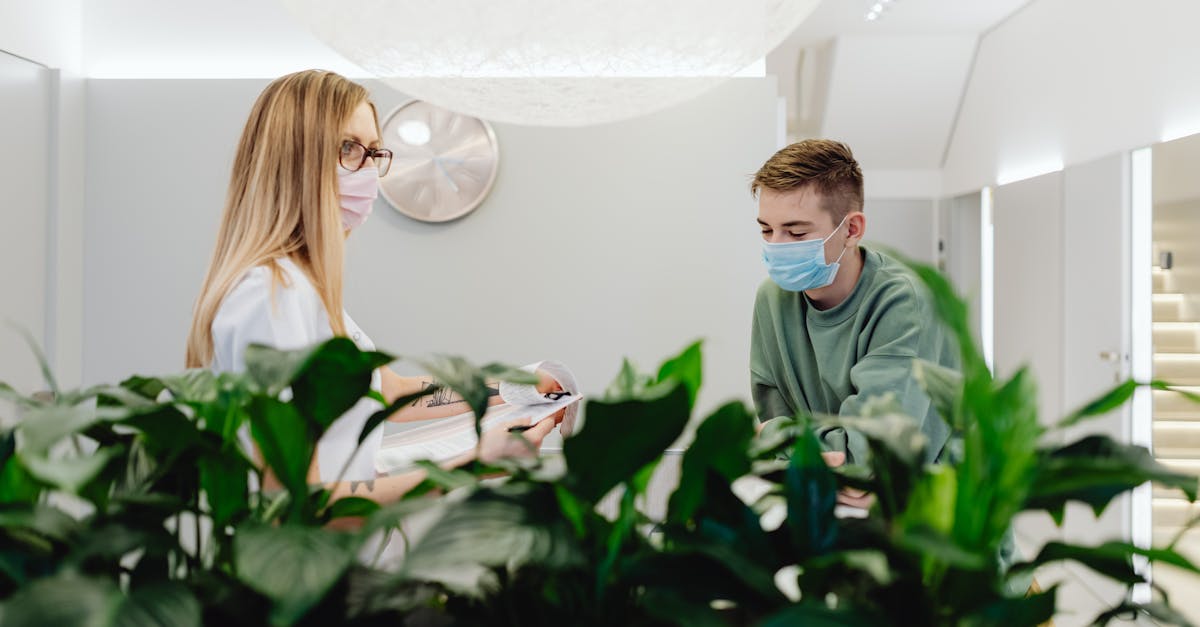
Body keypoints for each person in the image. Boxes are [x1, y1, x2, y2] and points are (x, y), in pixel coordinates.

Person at [184, 69, 560, 505]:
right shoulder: (272, 295)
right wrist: (474, 463)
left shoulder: (308, 293)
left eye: (375, 152)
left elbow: (394, 391)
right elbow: (297, 505)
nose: (367, 169)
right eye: (349, 148)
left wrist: (509, 387)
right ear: (294, 157)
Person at [749, 139, 958, 475]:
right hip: (839, 508)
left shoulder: (904, 303)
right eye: (766, 230)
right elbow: (776, 442)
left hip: (933, 511)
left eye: (796, 232)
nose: (776, 247)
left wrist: (793, 445)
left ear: (852, 229)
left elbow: (870, 458)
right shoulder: (772, 300)